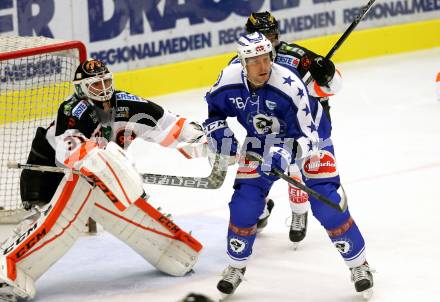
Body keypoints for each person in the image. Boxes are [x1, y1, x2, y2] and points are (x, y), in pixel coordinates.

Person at [0, 59, 205, 301]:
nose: (104, 88)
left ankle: (173, 251)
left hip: (96, 179)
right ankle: (7, 269)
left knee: (130, 202)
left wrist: (196, 136)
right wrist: (111, 164)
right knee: (37, 223)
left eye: (106, 81)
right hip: (47, 177)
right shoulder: (72, 110)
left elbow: (167, 122)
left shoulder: (126, 104)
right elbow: (70, 153)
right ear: (81, 89)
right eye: (96, 85)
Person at [203, 32, 373, 299]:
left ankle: (359, 266)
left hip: (309, 140)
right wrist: (219, 133)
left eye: (266, 58)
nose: (263, 66)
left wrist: (282, 156)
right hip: (261, 142)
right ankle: (235, 266)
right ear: (242, 62)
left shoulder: (289, 85)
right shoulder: (228, 80)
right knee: (244, 203)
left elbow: (308, 135)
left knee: (327, 203)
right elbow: (214, 114)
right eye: (254, 61)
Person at [232, 11, 343, 245]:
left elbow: (333, 86)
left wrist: (327, 74)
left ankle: (299, 211)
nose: (267, 41)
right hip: (265, 127)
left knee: (294, 166)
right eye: (261, 35)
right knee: (251, 172)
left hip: (301, 126)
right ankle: (260, 211)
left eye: (270, 35)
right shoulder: (241, 63)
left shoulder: (295, 56)